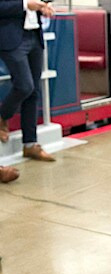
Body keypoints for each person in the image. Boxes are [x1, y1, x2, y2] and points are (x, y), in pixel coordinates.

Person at [0, 0, 55, 161]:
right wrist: (25, 5)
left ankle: (30, 144)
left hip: (34, 36)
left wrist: (45, 6)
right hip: (11, 38)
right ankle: (2, 115)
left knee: (34, 91)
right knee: (25, 86)